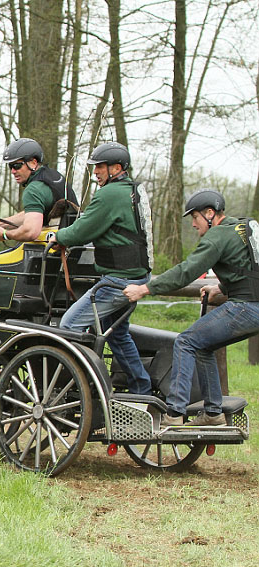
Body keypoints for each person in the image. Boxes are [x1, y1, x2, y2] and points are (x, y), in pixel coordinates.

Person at [124, 189, 259, 426]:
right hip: (252, 306)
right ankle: (213, 413)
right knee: (203, 347)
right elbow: (248, 265)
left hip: (245, 308)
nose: (194, 225)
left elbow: (186, 271)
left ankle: (174, 413)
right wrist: (222, 287)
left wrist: (145, 289)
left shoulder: (217, 236)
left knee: (186, 341)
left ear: (210, 213)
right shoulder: (244, 228)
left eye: (195, 218)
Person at [46, 142, 153, 395]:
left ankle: (88, 389)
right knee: (117, 335)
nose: (96, 172)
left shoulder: (110, 194)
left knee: (69, 325)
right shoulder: (133, 190)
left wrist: (58, 237)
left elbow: (84, 230)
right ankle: (142, 390)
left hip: (118, 280)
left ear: (116, 168)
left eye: (100, 167)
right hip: (135, 276)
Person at [0, 138, 78, 314]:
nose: (13, 171)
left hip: (43, 252)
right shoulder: (54, 178)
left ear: (33, 162)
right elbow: (32, 214)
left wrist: (4, 235)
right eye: (10, 166)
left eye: (17, 165)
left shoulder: (33, 189)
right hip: (59, 254)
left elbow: (31, 230)